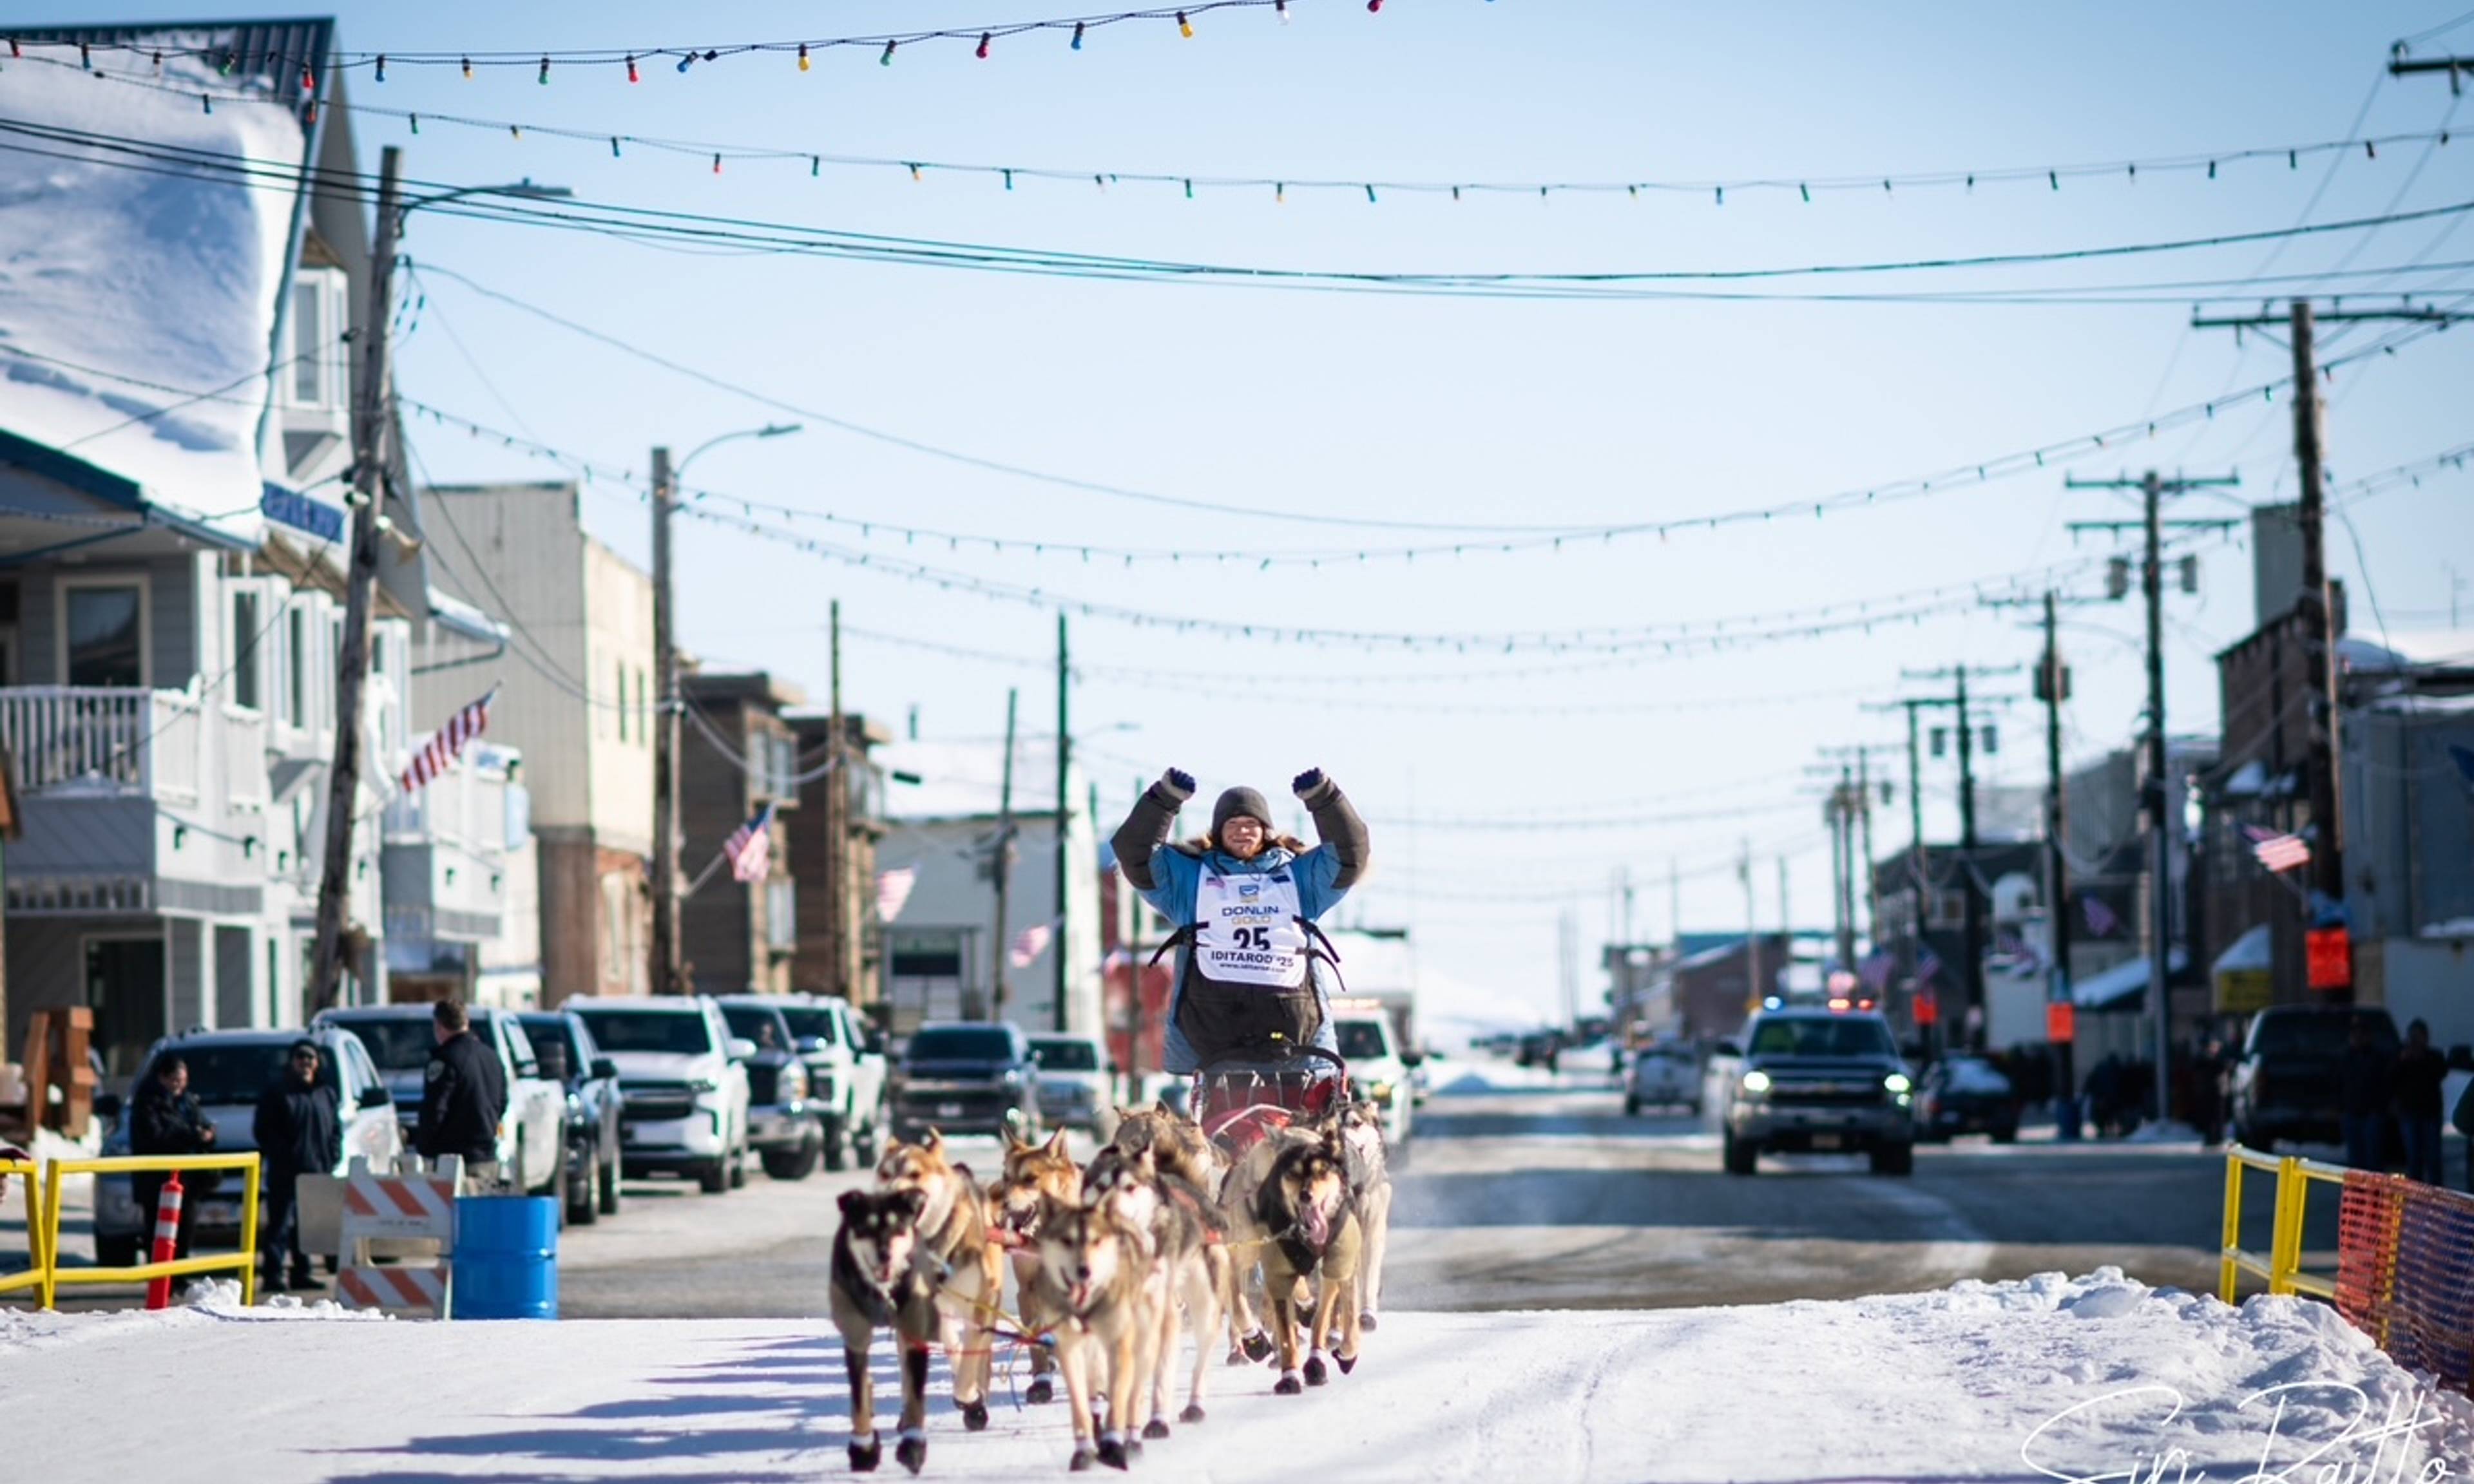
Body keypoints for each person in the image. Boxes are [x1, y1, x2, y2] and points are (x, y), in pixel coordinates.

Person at [1111, 766, 1368, 1081]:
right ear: (1217, 832)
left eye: (1251, 824)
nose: (1242, 831)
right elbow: (1136, 855)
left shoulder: (1301, 880)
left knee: (1303, 1128)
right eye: (1232, 824)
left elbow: (1348, 856)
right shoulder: (1190, 881)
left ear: (1266, 831)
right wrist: (1163, 800)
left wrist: (1324, 799)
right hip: (1212, 1034)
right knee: (1216, 1129)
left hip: (1295, 1033)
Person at [253, 1039, 341, 1293]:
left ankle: (303, 1273)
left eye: (310, 1058)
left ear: (317, 1063)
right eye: (300, 1057)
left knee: (308, 1226)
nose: (305, 1062)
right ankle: (273, 1275)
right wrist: (284, 1154)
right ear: (292, 1062)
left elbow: (335, 1130)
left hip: (318, 1169)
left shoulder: (326, 1093)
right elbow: (263, 1130)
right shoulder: (278, 1092)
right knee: (280, 1225)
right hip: (286, 1170)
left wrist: (333, 1156)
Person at [129, 1057, 216, 1259]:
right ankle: (160, 1279)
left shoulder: (187, 1101)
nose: (179, 1085)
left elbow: (203, 1124)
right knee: (159, 1231)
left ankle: (180, 1276)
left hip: (187, 1179)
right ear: (162, 1078)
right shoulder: (148, 1102)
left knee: (185, 1228)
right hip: (157, 1180)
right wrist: (191, 1135)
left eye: (183, 1080)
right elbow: (155, 1136)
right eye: (175, 1080)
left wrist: (208, 1135)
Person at [417, 1000, 507, 1190]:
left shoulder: (446, 1059)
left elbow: (435, 1109)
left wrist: (424, 1147)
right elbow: (502, 1102)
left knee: (452, 1217)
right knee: (481, 1217)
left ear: (439, 1026)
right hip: (487, 1157)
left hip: (454, 1162)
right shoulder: (491, 1057)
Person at [2393, 1019, 2447, 1186]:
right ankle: (2417, 1194)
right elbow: (2390, 1077)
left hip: (2430, 1113)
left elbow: (2442, 1072)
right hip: (2409, 1113)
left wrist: (2421, 1058)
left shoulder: (2433, 1057)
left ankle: (2437, 1194)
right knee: (2414, 1158)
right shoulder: (2402, 1056)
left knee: (2433, 1158)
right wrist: (2403, 1060)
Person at [2338, 1016, 2394, 1172]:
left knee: (2373, 1161)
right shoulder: (2345, 1058)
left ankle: (2375, 1195)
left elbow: (2387, 1085)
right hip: (2351, 1114)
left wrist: (2381, 1108)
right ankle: (2358, 1195)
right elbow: (2338, 1084)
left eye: (2361, 1034)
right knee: (2355, 1162)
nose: (2358, 1037)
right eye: (2355, 1034)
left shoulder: (2378, 1059)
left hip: (2372, 1115)